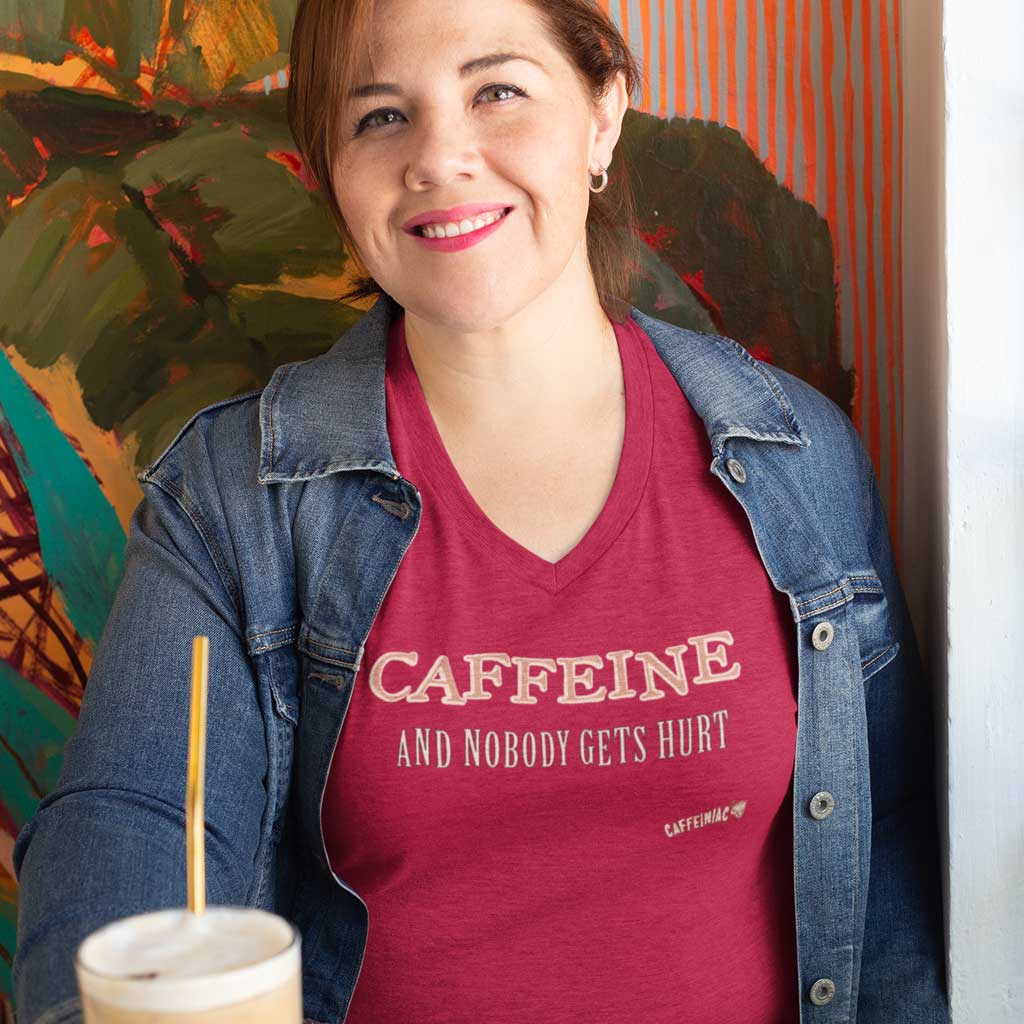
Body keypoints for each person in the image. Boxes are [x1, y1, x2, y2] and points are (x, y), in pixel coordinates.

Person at [12, 1, 949, 1022]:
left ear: (601, 113)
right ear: (326, 171)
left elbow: (887, 862)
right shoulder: (235, 500)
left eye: (495, 91)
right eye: (379, 117)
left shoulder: (797, 460)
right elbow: (130, 831)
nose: (438, 157)